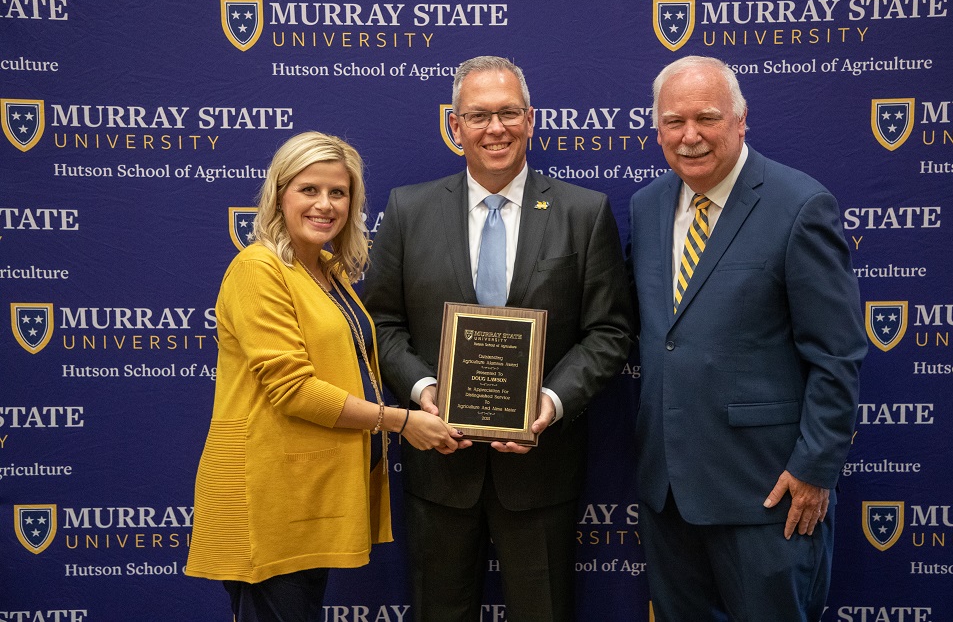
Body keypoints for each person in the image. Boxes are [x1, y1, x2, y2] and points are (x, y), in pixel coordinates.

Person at [364, 56, 632, 622]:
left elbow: (609, 330)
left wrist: (550, 402)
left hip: (542, 468)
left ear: (531, 120)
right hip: (439, 466)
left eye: (509, 113)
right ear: (454, 126)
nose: (495, 128)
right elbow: (381, 323)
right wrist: (422, 390)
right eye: (478, 116)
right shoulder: (408, 211)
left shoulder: (583, 213)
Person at [186, 131, 465, 622]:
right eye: (309, 189)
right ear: (278, 195)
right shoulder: (258, 268)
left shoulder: (330, 271)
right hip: (270, 498)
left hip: (311, 494)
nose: (325, 204)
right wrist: (399, 421)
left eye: (339, 192)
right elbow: (292, 389)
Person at [629, 55, 867, 622]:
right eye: (673, 122)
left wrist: (814, 469)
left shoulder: (800, 206)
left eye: (707, 118)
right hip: (668, 494)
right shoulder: (647, 206)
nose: (690, 137)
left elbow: (837, 355)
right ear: (656, 127)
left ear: (740, 120)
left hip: (769, 494)